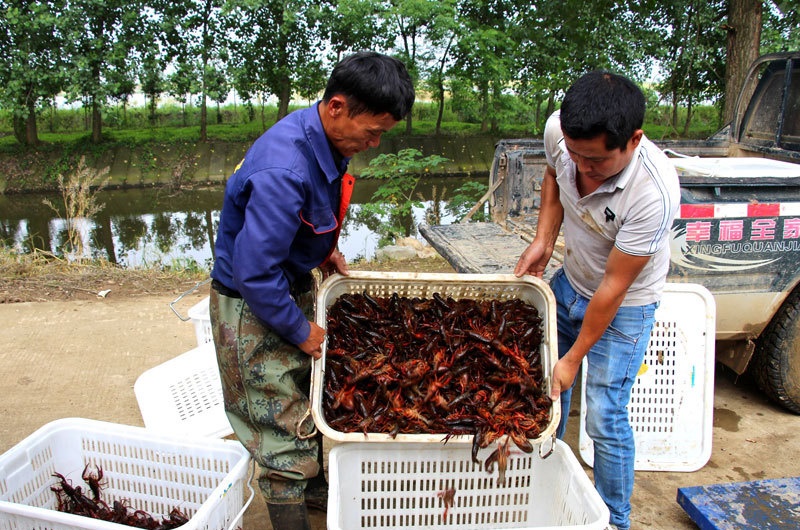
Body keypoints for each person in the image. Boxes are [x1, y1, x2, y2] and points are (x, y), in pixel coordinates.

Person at [208, 51, 414, 530]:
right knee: (279, 428)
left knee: (306, 399)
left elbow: (304, 218)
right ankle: (291, 507)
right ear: (338, 106)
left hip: (287, 281)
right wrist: (300, 331)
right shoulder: (284, 169)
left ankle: (317, 498)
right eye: (373, 131)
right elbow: (254, 273)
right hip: (251, 303)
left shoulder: (325, 138)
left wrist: (322, 251)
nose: (375, 143)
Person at [513, 71, 680, 530]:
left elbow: (614, 288)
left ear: (634, 140)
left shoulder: (654, 193)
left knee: (604, 414)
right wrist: (545, 239)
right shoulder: (558, 133)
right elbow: (552, 174)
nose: (583, 168)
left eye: (597, 161)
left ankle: (614, 520)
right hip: (571, 280)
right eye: (575, 154)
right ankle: (544, 482)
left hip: (624, 305)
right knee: (545, 391)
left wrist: (573, 358)